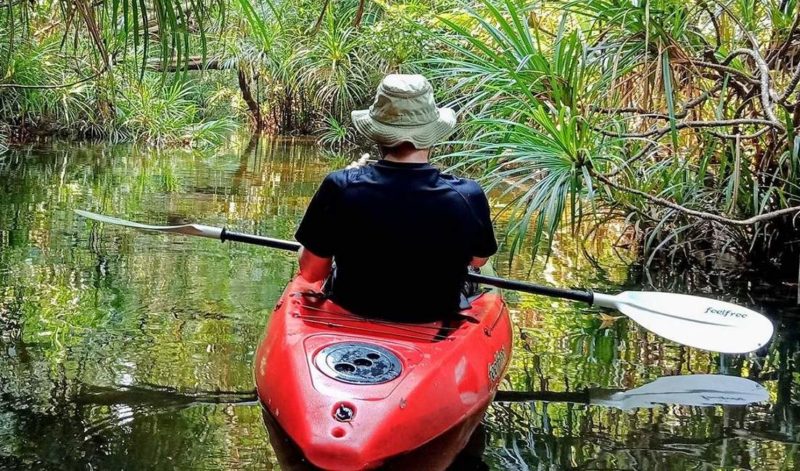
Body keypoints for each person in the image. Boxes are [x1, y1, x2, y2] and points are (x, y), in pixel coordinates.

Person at [295, 74, 497, 322]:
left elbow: (312, 272)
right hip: (433, 315)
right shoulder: (467, 195)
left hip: (353, 308)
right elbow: (478, 259)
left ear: (377, 133)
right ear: (432, 134)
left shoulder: (340, 186)